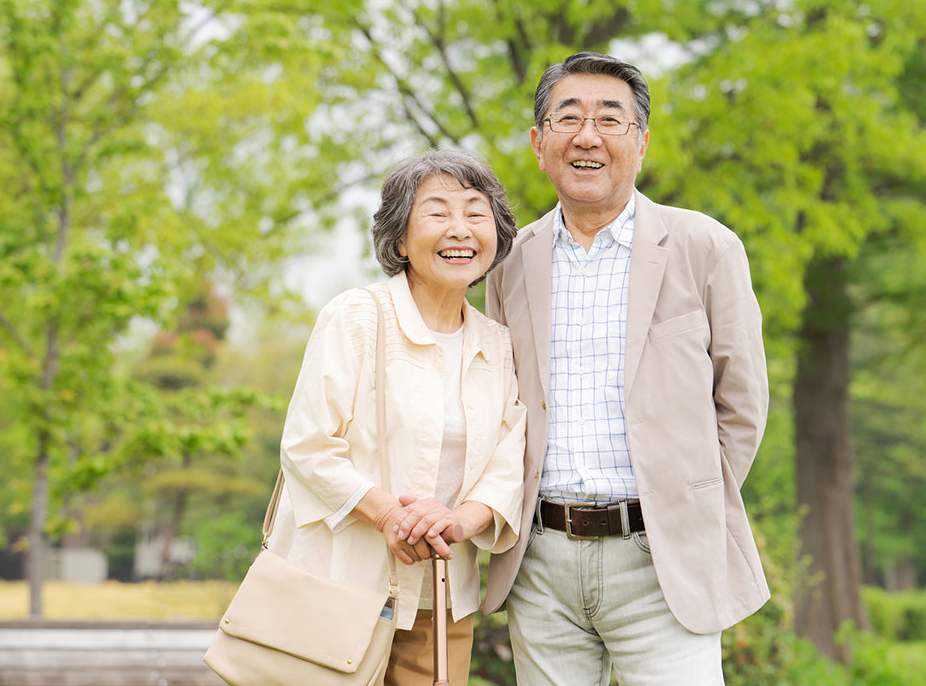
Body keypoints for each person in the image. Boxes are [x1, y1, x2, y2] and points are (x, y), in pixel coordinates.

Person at [482, 52, 770, 685]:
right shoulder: (510, 263)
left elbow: (742, 404)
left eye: (610, 119)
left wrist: (686, 502)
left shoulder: (704, 247)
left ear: (640, 144)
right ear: (539, 142)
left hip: (662, 558)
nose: (588, 136)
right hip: (541, 560)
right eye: (569, 118)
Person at [270, 149, 527, 685]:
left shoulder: (496, 344)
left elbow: (508, 462)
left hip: (441, 591)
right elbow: (308, 445)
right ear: (401, 239)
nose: (461, 230)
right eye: (438, 213)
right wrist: (390, 515)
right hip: (340, 585)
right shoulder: (357, 317)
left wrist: (459, 521)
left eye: (477, 214)